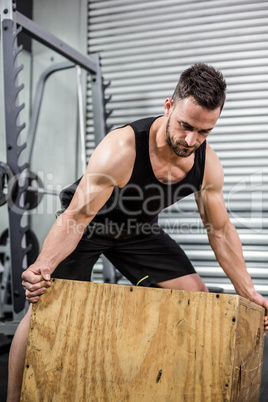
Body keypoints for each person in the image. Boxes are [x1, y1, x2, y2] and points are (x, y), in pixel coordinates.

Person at [7, 63, 268, 401]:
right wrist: (41, 269)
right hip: (88, 226)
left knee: (197, 298)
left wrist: (248, 292)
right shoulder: (122, 148)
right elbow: (78, 214)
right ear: (168, 106)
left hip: (137, 230)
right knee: (43, 306)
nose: (191, 140)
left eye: (204, 131)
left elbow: (219, 230)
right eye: (186, 126)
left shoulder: (207, 165)